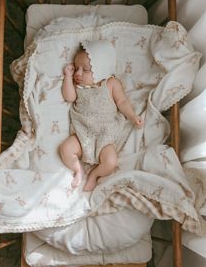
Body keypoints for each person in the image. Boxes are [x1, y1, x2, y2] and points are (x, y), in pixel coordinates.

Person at [59, 40, 143, 191]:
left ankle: (94, 175)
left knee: (110, 162)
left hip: (105, 135)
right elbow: (69, 97)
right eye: (76, 68)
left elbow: (122, 101)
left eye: (85, 69)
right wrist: (67, 76)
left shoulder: (110, 83)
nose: (77, 73)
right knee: (65, 149)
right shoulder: (78, 87)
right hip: (82, 132)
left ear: (101, 68)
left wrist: (132, 116)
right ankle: (78, 169)